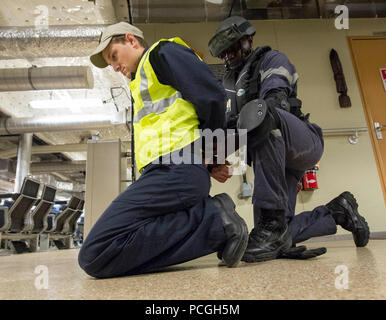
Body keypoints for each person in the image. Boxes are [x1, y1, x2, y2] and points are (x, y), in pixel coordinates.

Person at [78, 21, 250, 278]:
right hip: (171, 172)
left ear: (132, 40)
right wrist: (209, 162)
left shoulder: (162, 53)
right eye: (110, 63)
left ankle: (215, 221)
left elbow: (212, 96)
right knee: (102, 251)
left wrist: (214, 157)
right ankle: (215, 221)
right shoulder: (140, 84)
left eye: (114, 56)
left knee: (96, 252)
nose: (114, 66)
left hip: (174, 169)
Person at [208, 16, 370, 263]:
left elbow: (276, 100)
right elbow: (230, 128)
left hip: (300, 142)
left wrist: (245, 124)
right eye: (224, 53)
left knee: (263, 114)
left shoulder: (272, 60)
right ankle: (338, 210)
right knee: (278, 236)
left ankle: (271, 226)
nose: (228, 55)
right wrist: (215, 161)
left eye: (232, 48)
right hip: (273, 159)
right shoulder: (228, 83)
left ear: (248, 40)